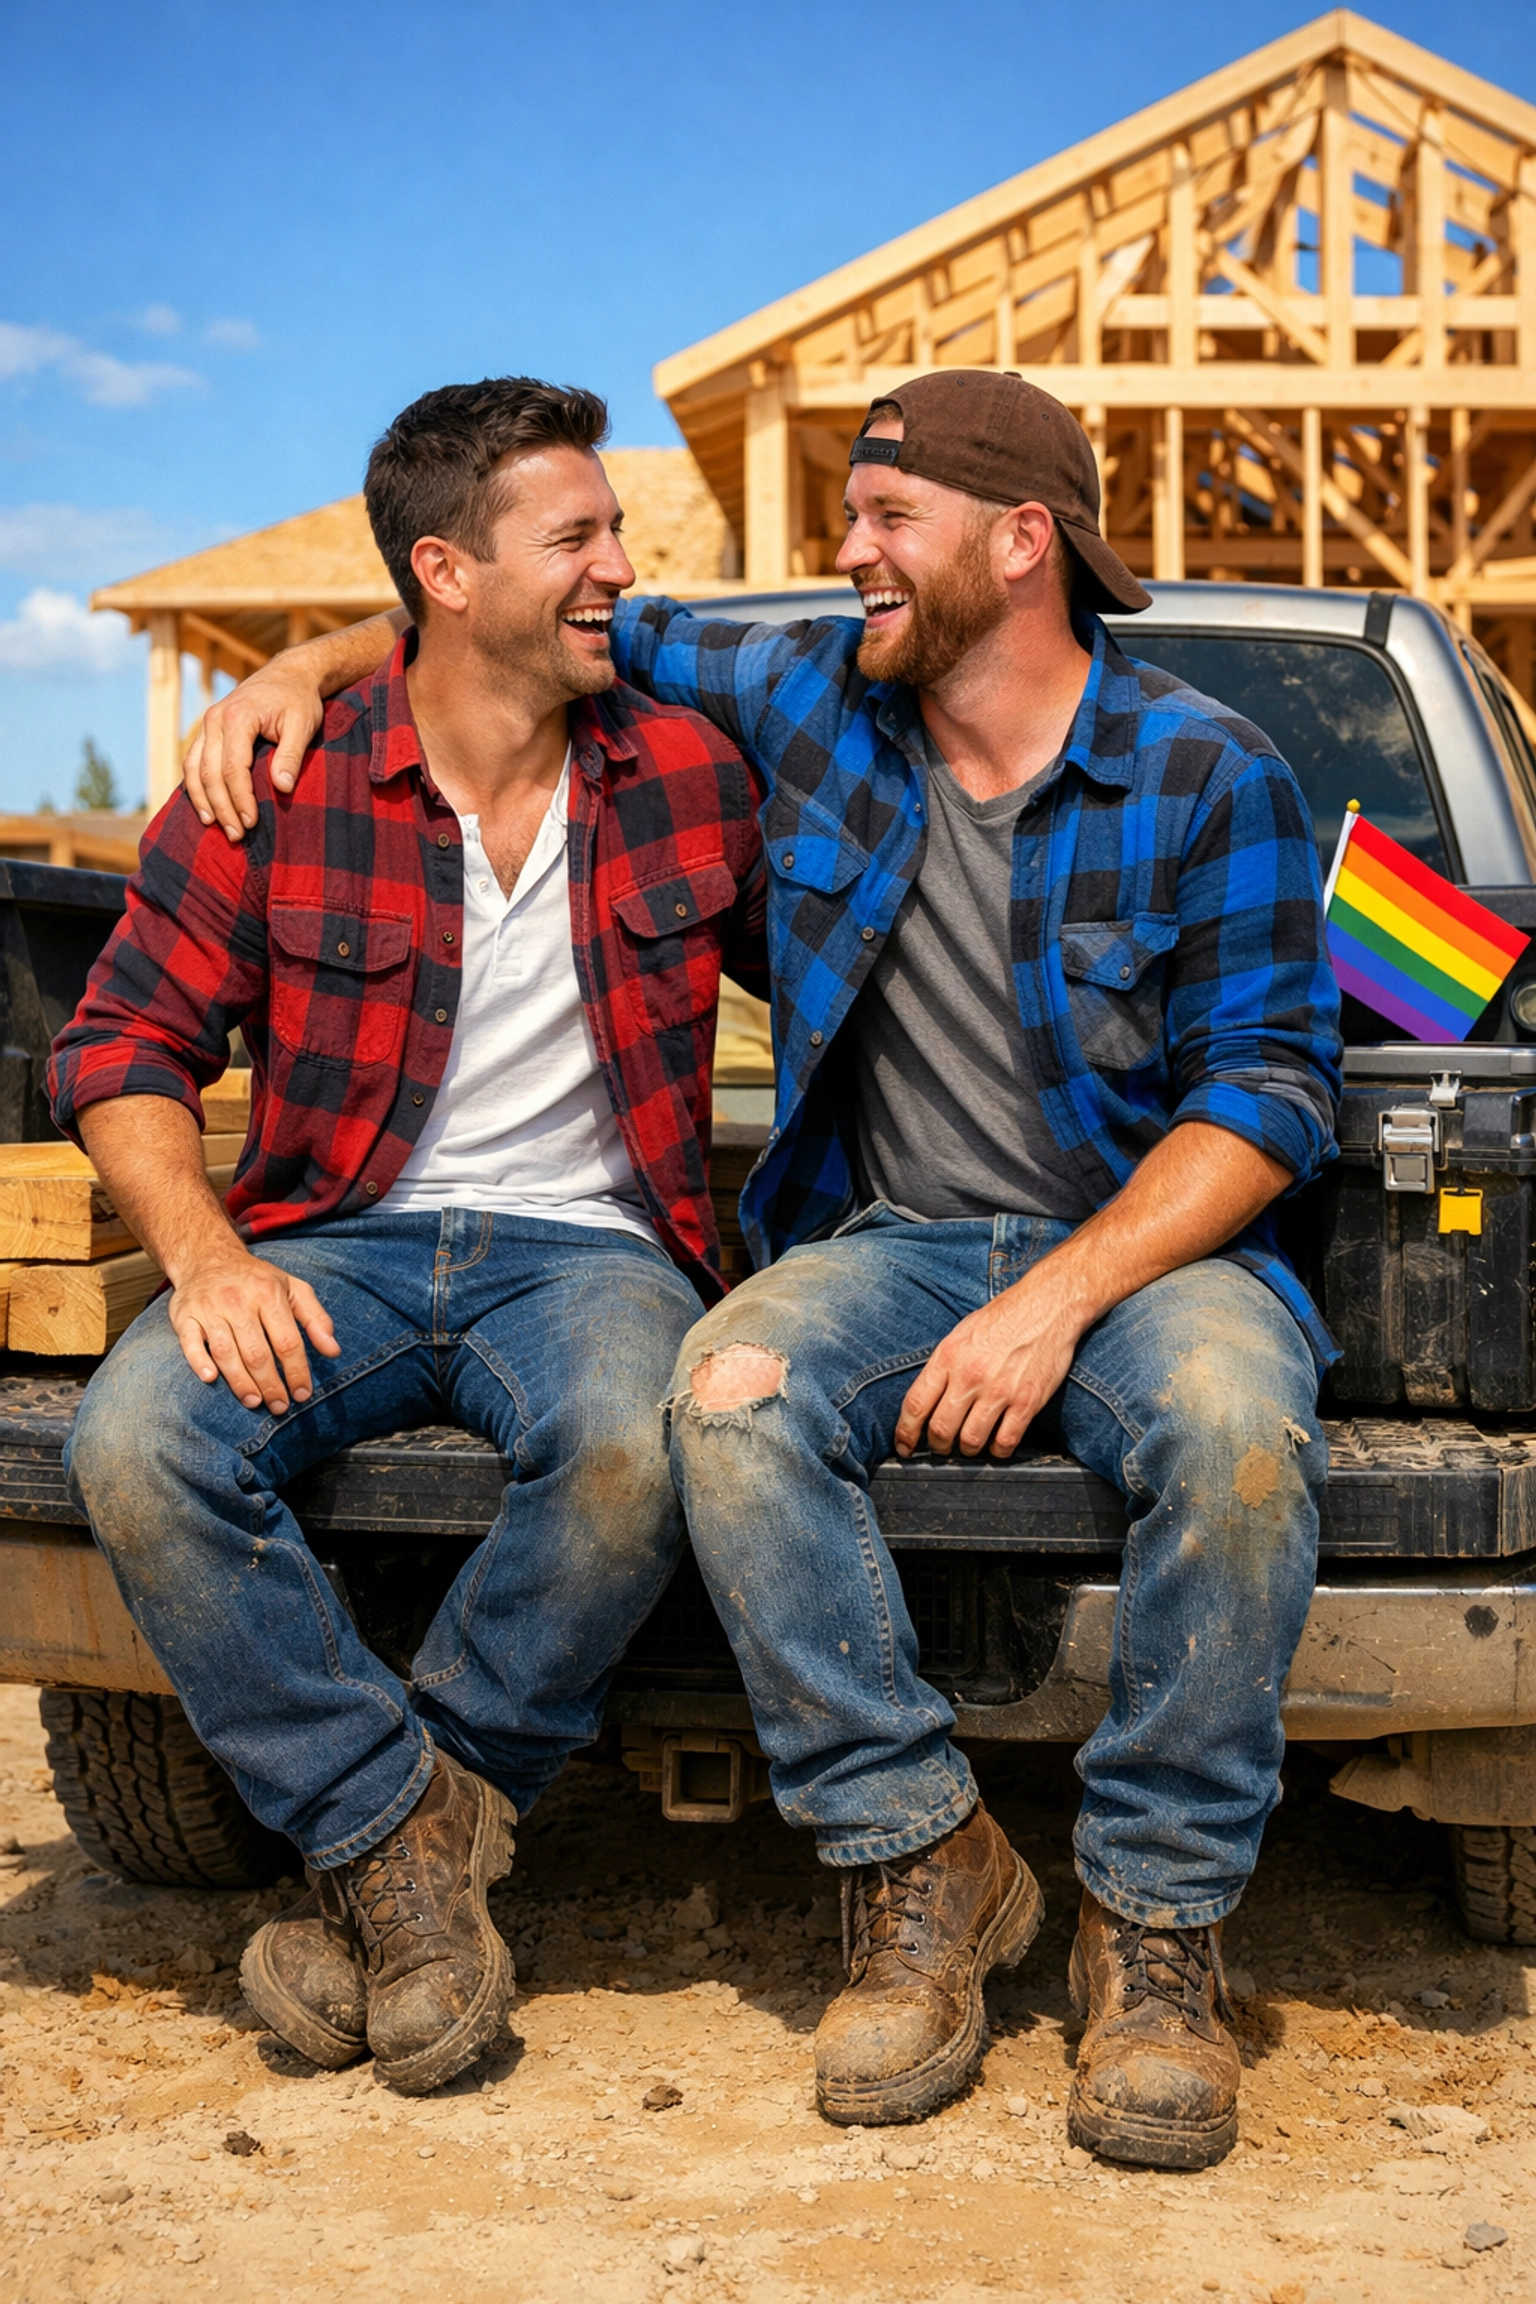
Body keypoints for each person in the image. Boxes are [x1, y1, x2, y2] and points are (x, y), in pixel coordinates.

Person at [183, 369, 1341, 2168]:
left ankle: (1159, 1929)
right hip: (891, 1245)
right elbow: (497, 620)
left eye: (889, 521)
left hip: (1153, 1256)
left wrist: (1059, 1298)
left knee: (1236, 1433)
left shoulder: (1211, 770)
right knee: (722, 1395)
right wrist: (307, 668)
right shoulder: (814, 695)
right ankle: (922, 1865)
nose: (847, 553)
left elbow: (1268, 1097)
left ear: (1020, 543)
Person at [51, 377, 766, 2097]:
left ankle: (392, 1862)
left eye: (618, 531)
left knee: (629, 1446)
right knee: (136, 1439)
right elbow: (124, 1045)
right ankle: (407, 1846)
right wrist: (210, 1259)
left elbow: (880, 960)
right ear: (445, 575)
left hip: (593, 1250)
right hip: (335, 1237)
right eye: (578, 537)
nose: (622, 569)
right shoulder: (283, 786)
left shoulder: (685, 772)